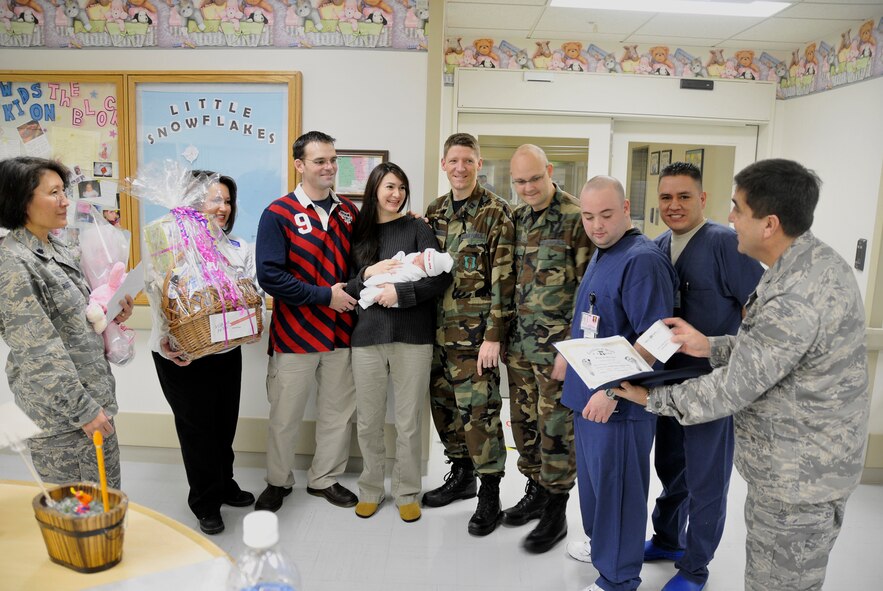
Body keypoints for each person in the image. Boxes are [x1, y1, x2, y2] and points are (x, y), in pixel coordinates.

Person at [614, 159, 870, 591]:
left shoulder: (795, 295)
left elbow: (735, 386)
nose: (730, 218)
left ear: (769, 224)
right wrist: (711, 344)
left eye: (737, 208)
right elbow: (770, 349)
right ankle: (670, 540)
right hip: (792, 465)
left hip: (798, 477)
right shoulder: (806, 265)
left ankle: (695, 566)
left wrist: (647, 399)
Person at [642, 162, 764, 591]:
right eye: (666, 197)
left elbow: (757, 310)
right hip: (666, 384)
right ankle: (669, 539)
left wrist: (744, 370)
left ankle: (695, 568)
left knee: (705, 477)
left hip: (712, 385)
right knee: (670, 465)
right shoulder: (657, 247)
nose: (674, 206)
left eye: (684, 197)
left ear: (703, 199)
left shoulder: (725, 244)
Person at [560, 176, 677, 591]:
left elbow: (659, 337)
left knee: (618, 492)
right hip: (586, 393)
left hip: (619, 403)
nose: (596, 225)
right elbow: (597, 315)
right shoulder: (601, 251)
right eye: (589, 216)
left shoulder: (641, 260)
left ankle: (620, 578)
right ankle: (602, 545)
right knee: (594, 488)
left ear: (626, 207)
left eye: (606, 215)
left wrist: (612, 391)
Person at [0, 156, 133, 489]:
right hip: (64, 418)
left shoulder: (58, 247)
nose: (65, 201)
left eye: (63, 191)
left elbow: (77, 315)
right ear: (21, 200)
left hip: (91, 399)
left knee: (106, 501)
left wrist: (113, 311)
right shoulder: (13, 263)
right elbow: (37, 352)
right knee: (79, 515)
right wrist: (84, 410)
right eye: (54, 193)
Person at [254, 131, 360, 512]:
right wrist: (324, 296)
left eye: (333, 159)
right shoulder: (278, 213)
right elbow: (270, 276)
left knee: (337, 414)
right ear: (299, 165)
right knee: (285, 416)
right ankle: (278, 481)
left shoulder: (349, 212)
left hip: (341, 334)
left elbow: (362, 263)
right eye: (320, 161)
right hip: (294, 335)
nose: (329, 167)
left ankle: (324, 479)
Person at [149, 170, 258, 535]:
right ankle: (205, 502)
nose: (223, 207)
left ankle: (224, 483)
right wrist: (168, 337)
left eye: (227, 201)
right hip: (182, 353)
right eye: (215, 199)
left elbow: (249, 290)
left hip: (225, 348)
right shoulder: (169, 243)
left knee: (225, 421)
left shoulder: (235, 246)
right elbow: (157, 292)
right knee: (197, 428)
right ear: (193, 204)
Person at [345, 162, 452, 523]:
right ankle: (371, 489)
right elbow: (347, 287)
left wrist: (400, 293)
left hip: (413, 339)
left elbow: (439, 278)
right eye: (390, 186)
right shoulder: (359, 234)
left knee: (408, 422)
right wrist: (367, 274)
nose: (397, 194)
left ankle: (407, 492)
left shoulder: (418, 227)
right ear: (374, 188)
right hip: (367, 340)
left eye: (402, 188)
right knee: (369, 421)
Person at [502, 144, 593, 554]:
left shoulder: (577, 217)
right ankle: (536, 488)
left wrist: (571, 348)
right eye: (520, 181)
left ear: (549, 171)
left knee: (556, 428)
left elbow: (590, 292)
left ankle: (556, 507)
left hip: (558, 350)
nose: (528, 188)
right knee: (522, 424)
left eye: (534, 178)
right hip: (520, 346)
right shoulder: (517, 218)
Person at [422, 132, 515, 537]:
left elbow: (504, 280)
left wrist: (494, 335)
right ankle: (462, 475)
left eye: (468, 160)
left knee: (480, 414)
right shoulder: (435, 211)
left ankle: (490, 492)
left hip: (476, 338)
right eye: (453, 160)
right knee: (444, 408)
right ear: (443, 164)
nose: (460, 167)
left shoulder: (496, 212)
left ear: (479, 164)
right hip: (436, 333)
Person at [357, 247, 453, 309]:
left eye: (418, 261)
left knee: (374, 292)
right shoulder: (414, 258)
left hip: (393, 296)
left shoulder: (415, 272)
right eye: (419, 255)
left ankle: (366, 298)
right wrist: (368, 272)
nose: (415, 258)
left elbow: (400, 277)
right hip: (367, 325)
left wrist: (398, 291)